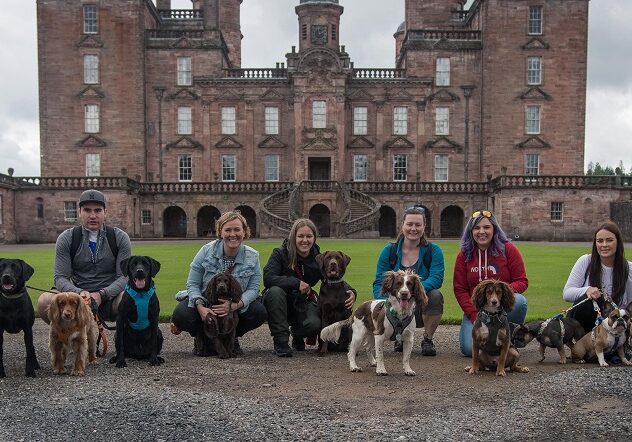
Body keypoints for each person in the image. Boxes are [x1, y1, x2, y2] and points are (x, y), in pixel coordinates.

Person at [171, 210, 266, 356]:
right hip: (206, 302)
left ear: (244, 232)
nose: (232, 234)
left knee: (258, 312)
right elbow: (192, 284)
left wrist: (234, 306)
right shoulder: (206, 251)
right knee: (181, 315)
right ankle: (202, 337)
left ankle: (231, 338)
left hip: (235, 306)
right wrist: (201, 307)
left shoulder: (252, 256)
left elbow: (253, 289)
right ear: (220, 232)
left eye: (237, 229)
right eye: (227, 230)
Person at [263, 218, 356, 357]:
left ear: (314, 238)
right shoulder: (279, 253)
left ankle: (298, 335)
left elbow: (332, 278)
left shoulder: (318, 258)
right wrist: (295, 283)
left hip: (301, 302)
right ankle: (281, 342)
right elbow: (268, 278)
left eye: (309, 236)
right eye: (300, 236)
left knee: (315, 324)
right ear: (293, 236)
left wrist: (353, 292)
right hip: (279, 301)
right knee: (275, 292)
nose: (304, 240)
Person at [37, 189, 132, 323]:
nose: (92, 216)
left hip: (110, 298)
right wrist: (79, 293)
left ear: (105, 212)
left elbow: (124, 277)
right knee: (44, 300)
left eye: (97, 210)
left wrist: (102, 294)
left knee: (130, 298)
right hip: (76, 299)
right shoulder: (66, 238)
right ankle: (66, 338)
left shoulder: (119, 237)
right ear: (79, 212)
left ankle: (124, 340)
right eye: (87, 210)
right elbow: (60, 278)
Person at [453, 209, 528, 357]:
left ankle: (507, 339)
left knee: (520, 301)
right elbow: (460, 289)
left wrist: (502, 293)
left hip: (501, 308)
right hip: (477, 309)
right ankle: (491, 341)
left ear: (494, 229)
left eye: (486, 227)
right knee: (469, 350)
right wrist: (474, 315)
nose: (482, 232)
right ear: (471, 231)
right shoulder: (464, 255)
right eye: (477, 228)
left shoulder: (508, 249)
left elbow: (522, 281)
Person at [373, 205, 445, 356]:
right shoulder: (389, 251)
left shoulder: (434, 250)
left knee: (436, 295)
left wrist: (411, 291)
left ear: (424, 226)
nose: (414, 228)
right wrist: (382, 305)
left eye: (418, 225)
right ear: (402, 225)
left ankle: (427, 339)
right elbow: (380, 282)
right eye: (410, 224)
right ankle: (400, 337)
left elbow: (436, 278)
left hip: (419, 304)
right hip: (395, 306)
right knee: (388, 302)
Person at [563, 221, 632, 335]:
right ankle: (585, 345)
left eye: (609, 240)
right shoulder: (585, 261)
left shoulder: (628, 268)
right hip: (588, 324)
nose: (604, 245)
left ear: (618, 242)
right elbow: (567, 293)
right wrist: (587, 290)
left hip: (615, 326)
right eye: (600, 241)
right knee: (586, 303)